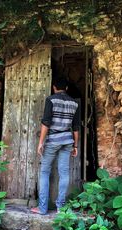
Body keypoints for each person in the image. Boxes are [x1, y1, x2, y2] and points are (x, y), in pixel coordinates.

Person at [31, 78, 80, 215]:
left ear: (54, 87)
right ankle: (61, 208)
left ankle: (42, 208)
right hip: (67, 141)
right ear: (67, 88)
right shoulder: (74, 103)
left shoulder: (51, 100)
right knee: (64, 173)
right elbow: (76, 126)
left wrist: (41, 142)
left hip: (53, 141)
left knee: (45, 172)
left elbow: (46, 123)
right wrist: (75, 145)